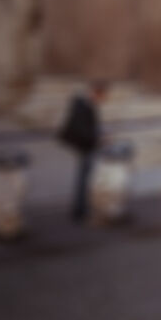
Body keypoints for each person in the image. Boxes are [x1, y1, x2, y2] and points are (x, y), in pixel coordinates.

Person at [57, 82, 105, 221]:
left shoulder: (85, 104)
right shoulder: (84, 105)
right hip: (86, 146)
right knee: (83, 179)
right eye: (102, 96)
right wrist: (97, 139)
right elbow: (83, 129)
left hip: (86, 145)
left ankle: (82, 208)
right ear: (96, 93)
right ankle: (80, 210)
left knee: (84, 178)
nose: (102, 100)